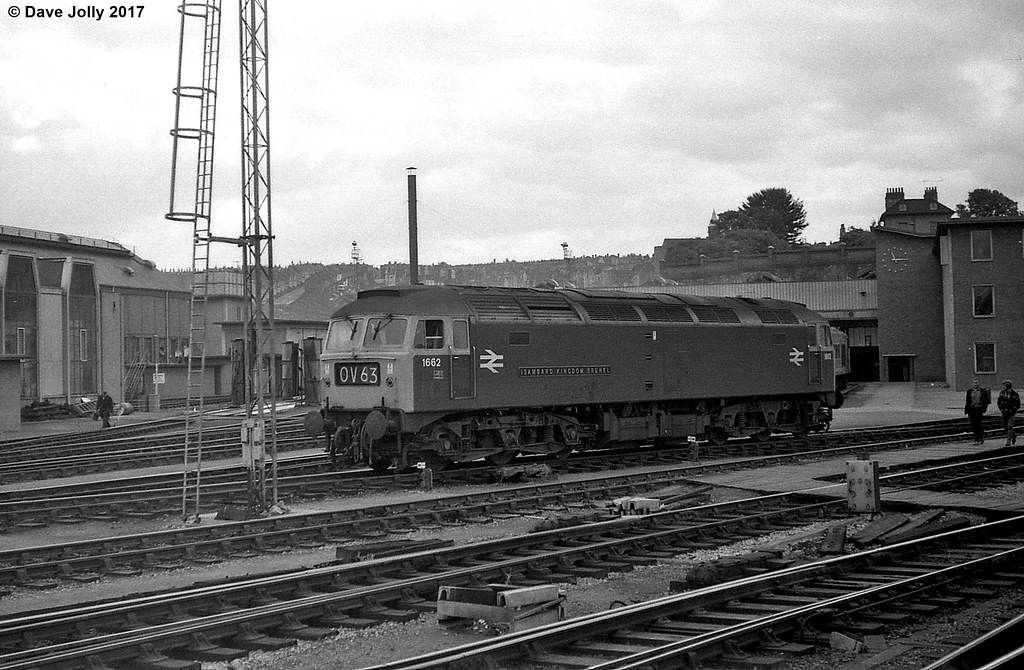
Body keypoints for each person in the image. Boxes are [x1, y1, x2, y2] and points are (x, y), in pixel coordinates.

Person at [964, 379, 991, 445]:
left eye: (976, 383)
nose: (975, 384)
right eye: (974, 383)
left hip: (979, 409)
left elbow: (986, 401)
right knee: (974, 424)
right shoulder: (969, 391)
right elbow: (967, 401)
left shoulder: (982, 391)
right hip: (971, 410)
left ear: (979, 384)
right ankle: (981, 435)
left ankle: (976, 439)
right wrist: (966, 410)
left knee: (977, 424)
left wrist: (984, 408)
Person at [997, 379, 1020, 446]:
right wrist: (1001, 409)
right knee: (1005, 426)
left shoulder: (1015, 394)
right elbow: (999, 402)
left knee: (1010, 426)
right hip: (1004, 412)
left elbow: (1017, 404)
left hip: (1011, 412)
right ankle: (1013, 434)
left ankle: (1008, 440)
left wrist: (1013, 409)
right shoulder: (1002, 393)